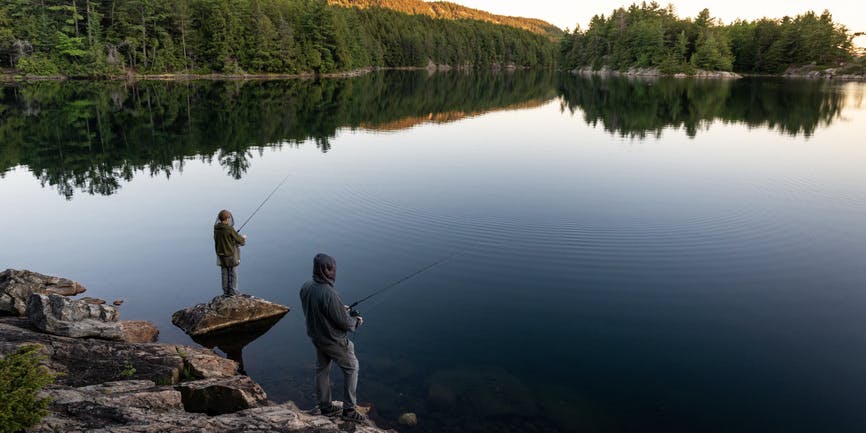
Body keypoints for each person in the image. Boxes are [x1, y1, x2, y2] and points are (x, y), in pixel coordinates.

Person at [299, 253, 366, 422]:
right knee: (352, 368)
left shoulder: (306, 286)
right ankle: (349, 411)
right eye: (330, 269)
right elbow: (346, 324)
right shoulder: (329, 294)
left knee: (322, 369)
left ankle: (325, 407)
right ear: (323, 270)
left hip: (316, 337)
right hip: (333, 341)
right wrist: (357, 320)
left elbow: (318, 309)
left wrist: (337, 308)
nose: (333, 272)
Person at [213, 209, 246, 296]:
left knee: (224, 273)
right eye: (229, 218)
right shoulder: (229, 229)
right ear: (227, 219)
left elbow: (223, 239)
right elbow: (240, 241)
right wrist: (243, 237)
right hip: (230, 256)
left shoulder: (216, 229)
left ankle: (226, 292)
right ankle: (234, 292)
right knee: (233, 273)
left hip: (220, 255)